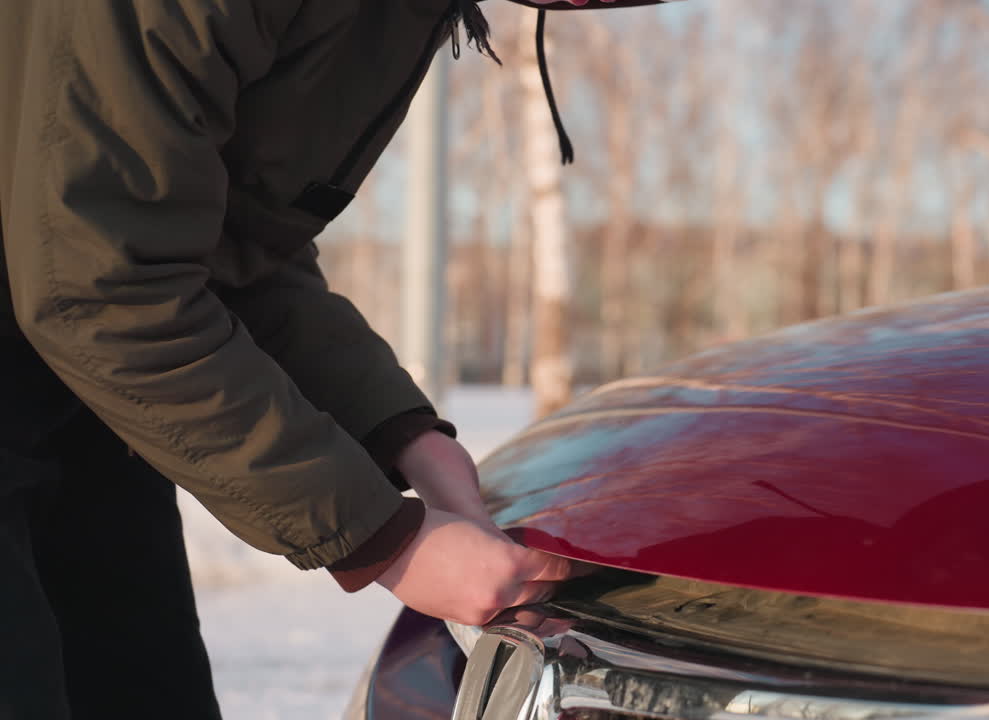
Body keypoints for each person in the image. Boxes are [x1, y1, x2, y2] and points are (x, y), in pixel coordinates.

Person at [0, 1, 661, 717]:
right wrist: (382, 538)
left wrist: (399, 431)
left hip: (92, 401)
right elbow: (100, 284)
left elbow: (225, 245)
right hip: (81, 341)